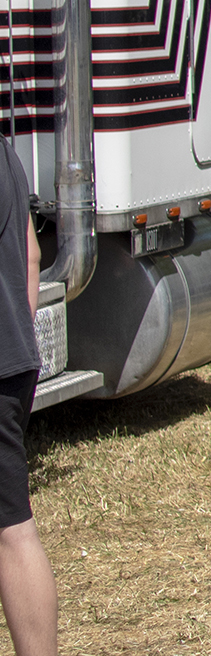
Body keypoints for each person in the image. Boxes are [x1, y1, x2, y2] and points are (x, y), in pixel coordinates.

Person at [0, 147, 53, 655]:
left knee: (12, 534)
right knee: (12, 530)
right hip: (12, 358)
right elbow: (31, 256)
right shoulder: (7, 154)